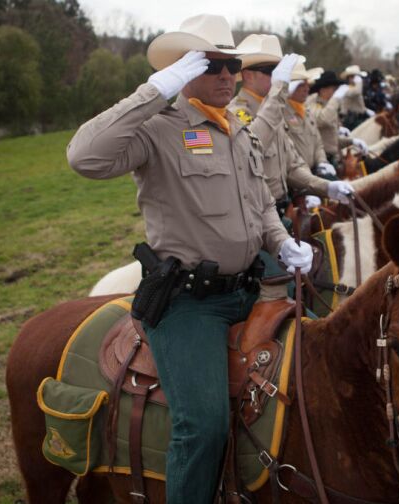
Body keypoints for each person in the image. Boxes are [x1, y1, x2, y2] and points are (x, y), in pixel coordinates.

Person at [66, 15, 313, 504]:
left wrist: (281, 241)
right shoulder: (156, 129)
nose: (227, 75)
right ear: (182, 69)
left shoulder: (237, 127)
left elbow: (260, 199)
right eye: (212, 65)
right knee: (201, 426)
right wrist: (154, 90)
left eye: (232, 66)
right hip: (187, 305)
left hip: (248, 288)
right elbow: (84, 157)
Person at [228, 34, 353, 218]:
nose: (279, 76)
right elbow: (252, 146)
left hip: (283, 210)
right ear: (248, 75)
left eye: (280, 70)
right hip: (256, 217)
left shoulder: (273, 109)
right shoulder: (237, 112)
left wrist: (326, 187)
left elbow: (292, 166)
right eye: (271, 71)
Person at [284, 69, 337, 191]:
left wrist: (322, 162)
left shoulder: (307, 112)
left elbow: (318, 143)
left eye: (307, 85)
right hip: (296, 181)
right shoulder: (281, 113)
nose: (307, 89)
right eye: (301, 85)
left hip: (314, 174)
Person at [307, 70, 368, 166]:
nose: (335, 92)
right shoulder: (314, 104)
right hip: (320, 161)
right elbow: (323, 120)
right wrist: (336, 98)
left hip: (332, 157)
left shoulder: (328, 105)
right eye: (333, 89)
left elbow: (332, 141)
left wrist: (352, 141)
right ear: (323, 90)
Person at [339, 64, 371, 130]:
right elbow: (357, 92)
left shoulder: (355, 87)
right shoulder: (346, 88)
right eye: (353, 77)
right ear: (348, 78)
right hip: (351, 120)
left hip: (359, 118)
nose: (356, 79)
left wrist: (366, 110)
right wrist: (359, 83)